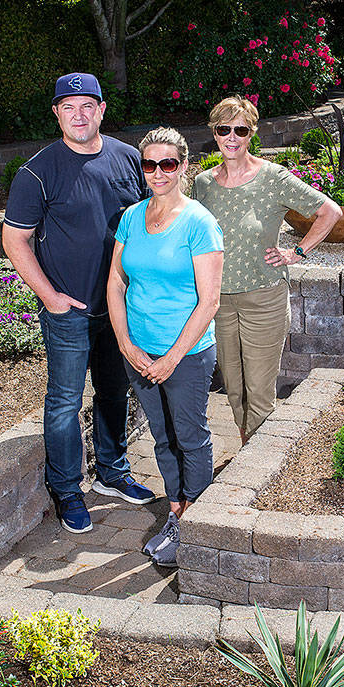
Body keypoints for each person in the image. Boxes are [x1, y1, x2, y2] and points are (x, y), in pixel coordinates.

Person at [2, 72, 156, 535]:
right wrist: (51, 298)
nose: (79, 114)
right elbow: (15, 240)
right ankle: (68, 491)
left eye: (87, 105)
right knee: (65, 402)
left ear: (102, 110)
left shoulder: (130, 159)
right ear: (57, 114)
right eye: (68, 107)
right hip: (69, 312)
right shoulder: (37, 172)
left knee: (114, 392)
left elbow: (154, 217)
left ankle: (112, 471)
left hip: (119, 307)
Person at [193, 96, 343, 445]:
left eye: (241, 130)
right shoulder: (203, 184)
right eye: (224, 129)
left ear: (252, 133)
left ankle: (252, 466)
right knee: (233, 389)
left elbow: (330, 212)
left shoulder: (273, 177)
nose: (232, 137)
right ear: (214, 134)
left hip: (264, 300)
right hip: (217, 304)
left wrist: (298, 252)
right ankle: (247, 446)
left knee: (259, 394)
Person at [107, 127, 224, 568]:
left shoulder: (199, 223)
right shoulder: (131, 217)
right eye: (149, 164)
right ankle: (176, 513)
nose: (158, 172)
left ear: (184, 167)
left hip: (187, 355)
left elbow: (209, 300)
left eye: (168, 164)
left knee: (190, 437)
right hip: (138, 350)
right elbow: (116, 281)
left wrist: (171, 358)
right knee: (161, 437)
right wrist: (126, 344)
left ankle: (196, 524)